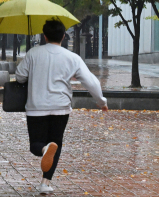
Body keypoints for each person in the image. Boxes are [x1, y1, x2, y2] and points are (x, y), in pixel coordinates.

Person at [15, 19, 108, 195]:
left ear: (45, 36)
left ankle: (44, 150)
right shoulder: (72, 57)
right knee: (56, 143)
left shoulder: (33, 53)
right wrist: (101, 101)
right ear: (64, 36)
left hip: (36, 107)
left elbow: (20, 77)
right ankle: (45, 182)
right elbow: (90, 81)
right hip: (61, 108)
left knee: (36, 143)